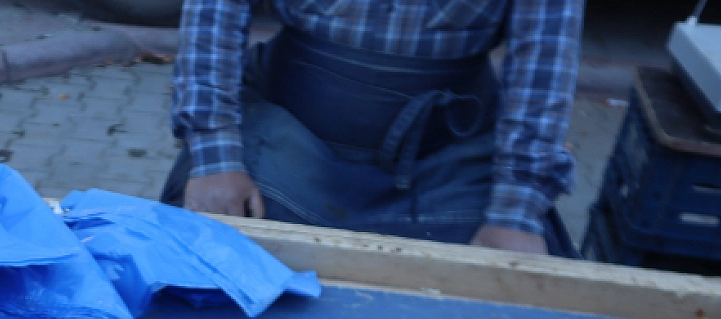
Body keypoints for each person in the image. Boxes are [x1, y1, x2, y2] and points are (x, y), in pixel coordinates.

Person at [165, 0, 583, 256]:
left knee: (509, 282)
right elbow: (214, 13)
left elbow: (543, 60)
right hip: (286, 132)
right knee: (205, 244)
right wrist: (215, 152)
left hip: (449, 156)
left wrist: (516, 210)